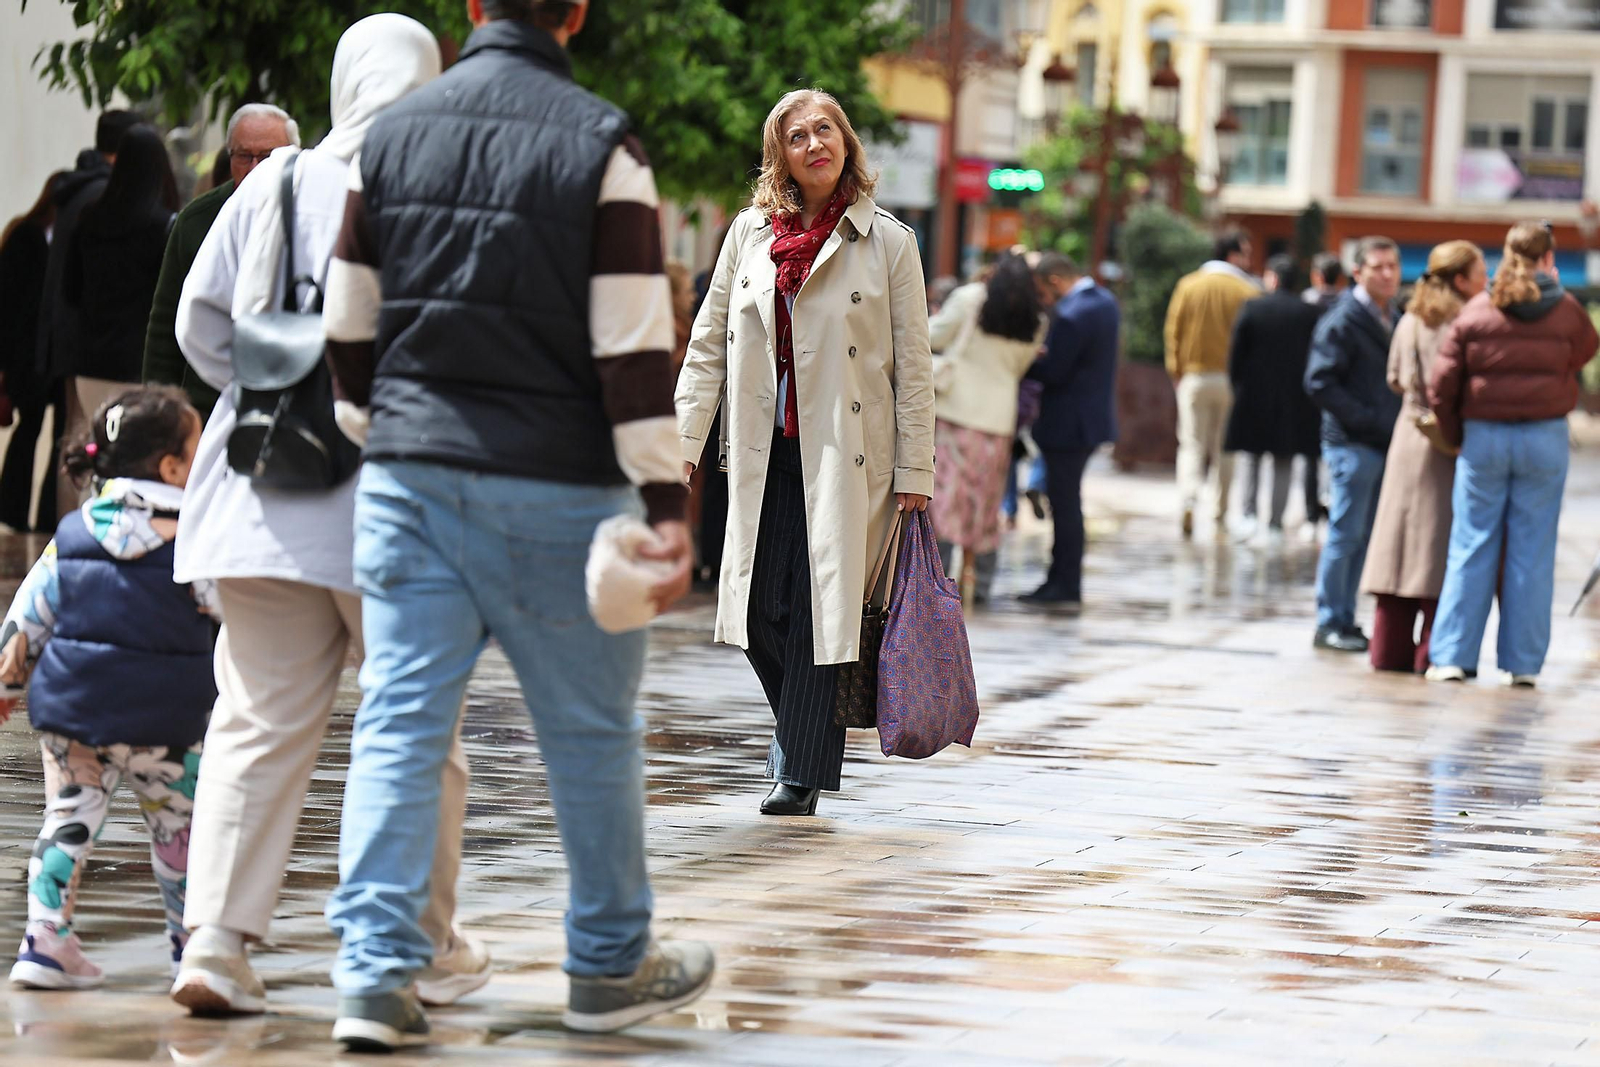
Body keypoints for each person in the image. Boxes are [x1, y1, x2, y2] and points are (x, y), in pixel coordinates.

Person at [321, 0, 708, 1048]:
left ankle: (372, 976)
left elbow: (347, 320)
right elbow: (632, 346)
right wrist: (666, 504)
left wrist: (380, 424)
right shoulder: (602, 143)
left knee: (400, 725)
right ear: (574, 14)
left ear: (471, 9)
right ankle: (607, 963)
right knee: (588, 735)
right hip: (557, 486)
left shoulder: (391, 134)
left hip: (407, 476)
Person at [169, 15, 487, 1021]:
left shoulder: (275, 179)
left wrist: (272, 394)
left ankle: (216, 943)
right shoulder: (442, 180)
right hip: (398, 499)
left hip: (262, 491)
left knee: (254, 721)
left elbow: (199, 322)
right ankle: (419, 944)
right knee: (416, 725)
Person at [677, 85, 934, 820]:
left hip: (850, 456)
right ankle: (809, 735)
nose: (815, 143)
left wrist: (916, 469)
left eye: (827, 130)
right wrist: (681, 446)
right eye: (798, 135)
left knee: (828, 611)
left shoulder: (888, 241)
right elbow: (706, 346)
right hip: (760, 451)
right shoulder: (748, 235)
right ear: (779, 155)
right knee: (758, 611)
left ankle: (798, 767)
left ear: (847, 143)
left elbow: (914, 367)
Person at [0, 386, 212, 990]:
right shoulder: (192, 535)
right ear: (172, 467)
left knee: (68, 819)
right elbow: (227, 607)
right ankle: (191, 949)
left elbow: (29, 613)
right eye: (198, 448)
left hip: (75, 714)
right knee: (180, 831)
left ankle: (45, 939)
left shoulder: (73, 532)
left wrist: (6, 683)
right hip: (165, 717)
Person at [1425, 222, 1600, 686]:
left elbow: (1442, 383)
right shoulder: (1566, 310)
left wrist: (1453, 433)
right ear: (1548, 259)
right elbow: (1585, 351)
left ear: (1504, 256)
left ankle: (1451, 658)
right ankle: (1522, 664)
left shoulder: (1479, 309)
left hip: (1483, 437)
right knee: (1532, 551)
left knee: (1471, 545)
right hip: (1544, 437)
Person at [1360, 241, 1486, 673]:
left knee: (1397, 544)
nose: (1487, 277)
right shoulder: (1466, 320)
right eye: (1480, 270)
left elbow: (1395, 378)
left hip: (1407, 436)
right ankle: (1429, 655)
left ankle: (1387, 651)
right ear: (1461, 278)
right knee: (1436, 550)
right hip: (1446, 441)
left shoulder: (1410, 318)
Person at [143, 103, 300, 419]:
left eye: (268, 157)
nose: (256, 167)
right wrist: (157, 412)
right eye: (244, 156)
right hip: (206, 405)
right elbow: (165, 326)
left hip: (292, 404)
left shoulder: (313, 216)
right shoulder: (195, 221)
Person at [36, 110, 142, 522]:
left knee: (74, 436)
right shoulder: (103, 196)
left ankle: (67, 528)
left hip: (69, 335)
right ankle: (79, 529)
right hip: (93, 340)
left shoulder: (74, 192)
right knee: (85, 440)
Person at [928, 254, 1045, 602]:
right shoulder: (1035, 321)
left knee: (946, 500)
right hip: (998, 421)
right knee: (985, 503)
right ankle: (981, 583)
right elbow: (1020, 367)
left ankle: (939, 581)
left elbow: (931, 336)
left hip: (955, 415)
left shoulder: (968, 299)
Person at [1305, 236, 1402, 653]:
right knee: (1345, 533)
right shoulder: (1343, 318)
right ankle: (1329, 620)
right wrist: (1365, 419)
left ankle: (1345, 618)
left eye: (1392, 266)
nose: (1387, 274)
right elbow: (1319, 381)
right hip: (1352, 444)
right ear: (1358, 272)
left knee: (1362, 535)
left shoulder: (1392, 315)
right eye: (1378, 266)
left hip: (1382, 443)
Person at [63, 125, 179, 444]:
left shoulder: (88, 222)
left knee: (94, 455)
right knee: (133, 462)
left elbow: (70, 291)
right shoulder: (164, 227)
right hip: (140, 369)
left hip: (90, 364)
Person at [1020, 253, 1119, 610]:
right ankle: (1060, 579)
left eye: (1043, 293)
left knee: (1065, 505)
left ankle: (1064, 584)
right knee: (1067, 502)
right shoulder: (1104, 302)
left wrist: (1026, 361)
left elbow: (1055, 372)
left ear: (1055, 281)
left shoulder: (1073, 314)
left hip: (1068, 423)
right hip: (1089, 420)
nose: (1044, 301)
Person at [1164, 229, 1260, 539]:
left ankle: (1189, 498)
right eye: (1244, 253)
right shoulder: (1247, 291)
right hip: (1233, 381)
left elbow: (1173, 331)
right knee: (1226, 450)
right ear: (1233, 255)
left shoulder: (1188, 285)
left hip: (1194, 376)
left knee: (1191, 444)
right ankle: (1220, 510)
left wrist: (1176, 370)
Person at [1223, 254, 1323, 546]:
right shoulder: (1309, 313)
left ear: (1273, 278)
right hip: (1294, 398)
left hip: (1254, 395)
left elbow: (1235, 355)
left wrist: (1237, 386)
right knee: (1285, 459)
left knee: (1251, 458)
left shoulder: (1253, 308)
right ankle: (1276, 523)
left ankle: (1249, 516)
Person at [0, 172, 68, 530]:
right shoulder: (27, 236)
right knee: (30, 429)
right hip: (28, 357)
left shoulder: (61, 238)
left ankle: (43, 515)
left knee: (57, 434)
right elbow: (10, 305)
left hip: (52, 356)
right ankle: (13, 511)